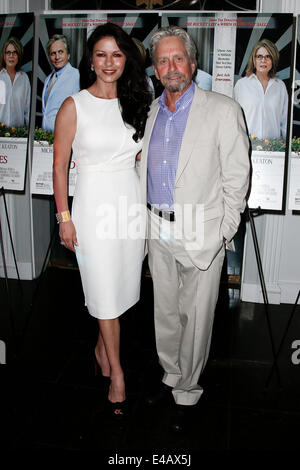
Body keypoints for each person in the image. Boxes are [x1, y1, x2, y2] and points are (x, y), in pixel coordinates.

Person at [140, 26, 250, 432]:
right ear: (155, 68)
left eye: (178, 58)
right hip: (157, 226)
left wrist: (224, 231)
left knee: (197, 316)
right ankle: (170, 375)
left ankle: (187, 390)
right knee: (165, 312)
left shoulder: (222, 109)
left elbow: (237, 179)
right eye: (163, 60)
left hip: (202, 231)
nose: (172, 67)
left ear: (193, 62)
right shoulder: (150, 112)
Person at [53, 23, 152, 417]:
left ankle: (100, 347)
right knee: (103, 290)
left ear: (126, 58)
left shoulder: (138, 99)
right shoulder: (74, 105)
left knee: (120, 290)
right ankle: (117, 376)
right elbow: (60, 166)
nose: (109, 62)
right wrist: (64, 218)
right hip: (92, 207)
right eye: (100, 54)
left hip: (129, 205)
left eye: (117, 54)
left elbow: (141, 155)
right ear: (90, 60)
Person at [234, 38, 288, 141]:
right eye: (259, 57)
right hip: (247, 147)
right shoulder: (241, 85)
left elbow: (284, 122)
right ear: (254, 60)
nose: (263, 60)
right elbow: (234, 119)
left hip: (273, 149)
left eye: (268, 57)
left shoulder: (280, 87)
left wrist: (285, 149)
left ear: (273, 60)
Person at [42, 34, 80, 132]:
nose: (57, 57)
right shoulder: (48, 79)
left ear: (68, 55)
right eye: (53, 53)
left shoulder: (75, 76)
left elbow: (78, 110)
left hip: (64, 136)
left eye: (60, 52)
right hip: (45, 138)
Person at [0, 37, 31, 127]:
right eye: (8, 52)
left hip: (19, 134)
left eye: (15, 52)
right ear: (4, 55)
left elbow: (28, 109)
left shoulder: (24, 78)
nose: (11, 56)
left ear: (19, 56)